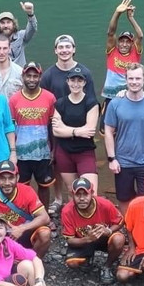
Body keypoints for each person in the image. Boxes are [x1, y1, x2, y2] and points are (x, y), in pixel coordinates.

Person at [104, 64, 144, 213]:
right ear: (126, 80)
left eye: (138, 78)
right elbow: (108, 130)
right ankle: (128, 228)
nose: (134, 82)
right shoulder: (115, 103)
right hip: (122, 162)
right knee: (124, 198)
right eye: (130, 78)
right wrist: (112, 159)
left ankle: (142, 228)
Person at [0, 160, 51, 259]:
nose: (7, 183)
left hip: (24, 231)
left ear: (17, 177)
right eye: (2, 179)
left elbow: (45, 217)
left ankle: (33, 262)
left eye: (11, 178)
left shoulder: (27, 191)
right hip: (2, 236)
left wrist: (21, 228)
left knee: (45, 234)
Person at [8, 62, 55, 210]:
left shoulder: (50, 98)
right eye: (28, 76)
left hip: (43, 153)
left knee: (44, 185)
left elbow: (53, 126)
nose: (32, 79)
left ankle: (45, 215)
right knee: (22, 187)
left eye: (35, 76)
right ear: (23, 76)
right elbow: (10, 129)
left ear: (40, 77)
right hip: (21, 154)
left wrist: (53, 150)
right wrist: (12, 151)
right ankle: (23, 215)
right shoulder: (14, 100)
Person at [60, 177, 125, 283]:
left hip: (104, 238)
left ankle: (107, 266)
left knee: (119, 239)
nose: (81, 198)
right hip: (83, 241)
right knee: (72, 263)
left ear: (92, 193)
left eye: (85, 194)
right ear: (72, 195)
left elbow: (120, 221)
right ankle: (88, 257)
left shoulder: (105, 204)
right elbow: (70, 240)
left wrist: (108, 231)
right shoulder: (67, 211)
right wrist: (88, 239)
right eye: (78, 194)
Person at [51, 65, 99, 194]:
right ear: (67, 82)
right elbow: (56, 131)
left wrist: (65, 129)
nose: (76, 84)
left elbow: (89, 131)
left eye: (79, 80)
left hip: (85, 152)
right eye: (73, 80)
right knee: (72, 192)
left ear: (84, 82)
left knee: (91, 192)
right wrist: (77, 131)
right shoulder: (60, 103)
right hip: (64, 153)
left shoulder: (91, 103)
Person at [101, 0, 144, 115]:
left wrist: (131, 18)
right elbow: (110, 32)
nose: (124, 44)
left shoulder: (135, 53)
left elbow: (140, 36)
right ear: (118, 42)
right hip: (111, 95)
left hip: (129, 95)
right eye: (121, 41)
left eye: (128, 41)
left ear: (131, 43)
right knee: (105, 129)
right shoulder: (112, 52)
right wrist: (117, 13)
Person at [0, 1, 37, 66]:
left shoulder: (21, 36)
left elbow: (32, 29)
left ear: (14, 24)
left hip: (19, 74)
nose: (5, 25)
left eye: (8, 22)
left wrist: (30, 14)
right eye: (2, 23)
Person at [41, 34, 98, 102]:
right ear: (55, 50)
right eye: (61, 47)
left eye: (68, 47)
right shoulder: (47, 75)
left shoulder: (85, 73)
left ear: (74, 49)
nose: (64, 50)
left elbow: (92, 100)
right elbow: (44, 102)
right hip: (56, 112)